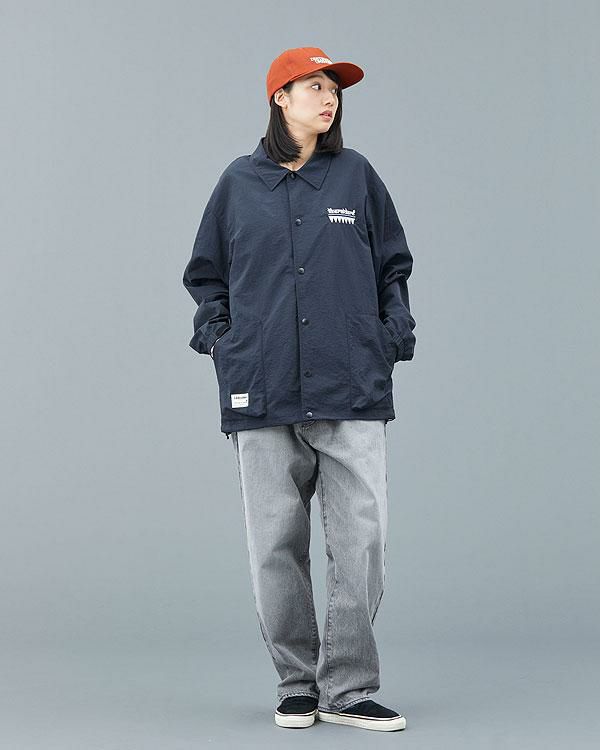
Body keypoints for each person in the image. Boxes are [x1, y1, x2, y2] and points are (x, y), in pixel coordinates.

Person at [182, 47, 416, 732]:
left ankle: (348, 687)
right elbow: (206, 276)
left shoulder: (356, 177)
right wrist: (222, 341)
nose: (329, 98)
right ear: (279, 98)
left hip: (351, 385)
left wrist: (391, 335)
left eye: (334, 89)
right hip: (263, 388)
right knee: (274, 547)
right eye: (314, 86)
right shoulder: (237, 183)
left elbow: (393, 264)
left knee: (362, 543)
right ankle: (296, 684)